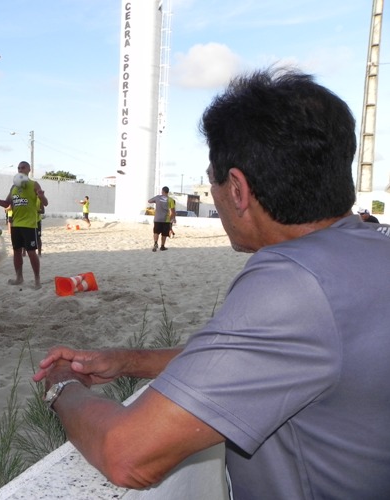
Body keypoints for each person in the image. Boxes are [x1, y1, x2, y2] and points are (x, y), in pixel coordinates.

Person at [33, 69, 390, 498]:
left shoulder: (294, 280)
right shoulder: (370, 251)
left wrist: (61, 387)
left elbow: (127, 454)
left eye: (214, 182)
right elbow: (275, 357)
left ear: (237, 189)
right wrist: (128, 361)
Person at [0, 161, 48, 289]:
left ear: (29, 169)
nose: (20, 170)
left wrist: (41, 196)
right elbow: (6, 203)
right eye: (18, 168)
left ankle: (37, 280)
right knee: (16, 252)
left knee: (32, 252)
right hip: (16, 224)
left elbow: (45, 203)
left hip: (29, 225)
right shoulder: (14, 187)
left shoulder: (34, 184)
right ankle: (19, 277)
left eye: (23, 168)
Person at [147, 186, 176, 251]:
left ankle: (155, 243)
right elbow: (173, 211)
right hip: (165, 219)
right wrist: (172, 219)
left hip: (157, 218)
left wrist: (156, 201)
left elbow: (149, 201)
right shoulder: (170, 200)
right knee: (164, 233)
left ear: (162, 191)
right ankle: (162, 246)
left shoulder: (157, 197)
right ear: (168, 192)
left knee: (156, 232)